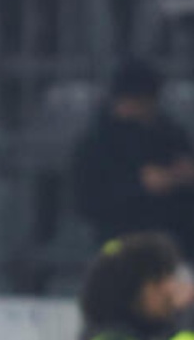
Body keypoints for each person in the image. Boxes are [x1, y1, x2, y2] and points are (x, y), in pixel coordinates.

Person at [72, 58, 194, 259]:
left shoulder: (169, 134)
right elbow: (89, 200)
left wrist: (182, 177)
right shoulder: (97, 142)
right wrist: (139, 185)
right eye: (139, 102)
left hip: (172, 238)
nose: (145, 109)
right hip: (117, 240)